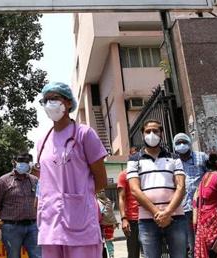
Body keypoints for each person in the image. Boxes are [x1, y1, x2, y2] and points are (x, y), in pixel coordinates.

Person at [35, 81, 108, 258]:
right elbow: (43, 180)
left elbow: (101, 180)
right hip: (50, 225)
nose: (50, 103)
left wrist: (78, 198)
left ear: (68, 103)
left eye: (55, 98)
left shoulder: (84, 134)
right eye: (46, 100)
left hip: (80, 222)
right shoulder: (42, 141)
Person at [127, 119, 187, 258]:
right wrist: (157, 213)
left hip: (175, 217)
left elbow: (181, 186)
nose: (152, 134)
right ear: (143, 134)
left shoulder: (174, 158)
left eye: (155, 131)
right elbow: (135, 190)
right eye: (148, 131)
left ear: (161, 134)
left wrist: (168, 212)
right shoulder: (134, 160)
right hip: (147, 220)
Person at [0, 152, 41, 258]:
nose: (24, 164)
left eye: (26, 162)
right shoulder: (3, 181)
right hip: (12, 228)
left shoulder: (35, 180)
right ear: (14, 162)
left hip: (33, 226)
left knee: (38, 256)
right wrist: (9, 217)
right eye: (21, 161)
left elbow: (41, 201)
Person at [173, 132, 208, 258]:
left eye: (184, 142)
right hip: (185, 209)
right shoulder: (174, 163)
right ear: (174, 146)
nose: (182, 145)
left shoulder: (202, 157)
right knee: (192, 245)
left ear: (189, 143)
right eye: (178, 143)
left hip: (203, 207)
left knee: (207, 240)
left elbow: (212, 176)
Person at [117, 146, 141, 258]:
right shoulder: (123, 174)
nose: (135, 157)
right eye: (133, 155)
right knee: (133, 253)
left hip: (149, 218)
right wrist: (124, 219)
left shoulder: (144, 172)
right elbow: (121, 198)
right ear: (129, 157)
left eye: (138, 154)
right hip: (132, 220)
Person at [97, 190, 118, 258]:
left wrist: (114, 222)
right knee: (101, 243)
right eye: (100, 191)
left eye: (103, 191)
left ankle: (111, 255)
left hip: (108, 225)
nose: (101, 193)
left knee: (109, 242)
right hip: (99, 226)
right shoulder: (95, 200)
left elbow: (110, 213)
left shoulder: (108, 201)